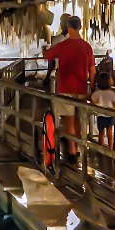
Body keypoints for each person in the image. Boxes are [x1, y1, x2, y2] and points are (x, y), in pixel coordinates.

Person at [42, 15, 94, 161]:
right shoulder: (87, 47)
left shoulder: (62, 46)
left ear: (69, 27)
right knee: (79, 120)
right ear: (80, 27)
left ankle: (72, 151)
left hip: (65, 88)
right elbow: (92, 70)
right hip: (82, 88)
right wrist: (93, 88)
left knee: (69, 121)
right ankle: (79, 147)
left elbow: (47, 56)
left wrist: (44, 49)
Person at [89, 72, 115, 149]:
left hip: (100, 116)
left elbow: (92, 100)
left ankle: (100, 147)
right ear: (109, 82)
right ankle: (110, 147)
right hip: (109, 116)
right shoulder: (111, 93)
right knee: (109, 133)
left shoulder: (97, 93)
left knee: (101, 133)